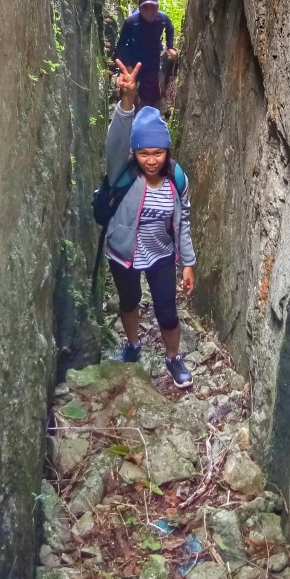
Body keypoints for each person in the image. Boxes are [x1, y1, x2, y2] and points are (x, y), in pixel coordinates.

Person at [104, 60, 195, 388]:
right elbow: (115, 143)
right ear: (135, 152)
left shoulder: (176, 177)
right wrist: (127, 101)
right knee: (128, 302)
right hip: (123, 252)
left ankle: (173, 358)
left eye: (159, 152)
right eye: (144, 153)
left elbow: (183, 221)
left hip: (160, 254)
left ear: (168, 150)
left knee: (167, 311)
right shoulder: (124, 172)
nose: (152, 159)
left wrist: (188, 263)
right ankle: (132, 346)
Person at [114, 0, 177, 108]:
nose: (150, 12)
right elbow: (121, 45)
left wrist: (170, 46)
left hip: (152, 59)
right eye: (145, 8)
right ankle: (124, 113)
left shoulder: (162, 18)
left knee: (149, 93)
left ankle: (145, 115)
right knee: (127, 90)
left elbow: (170, 27)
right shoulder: (131, 22)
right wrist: (128, 67)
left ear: (158, 6)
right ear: (140, 9)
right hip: (133, 57)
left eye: (153, 7)